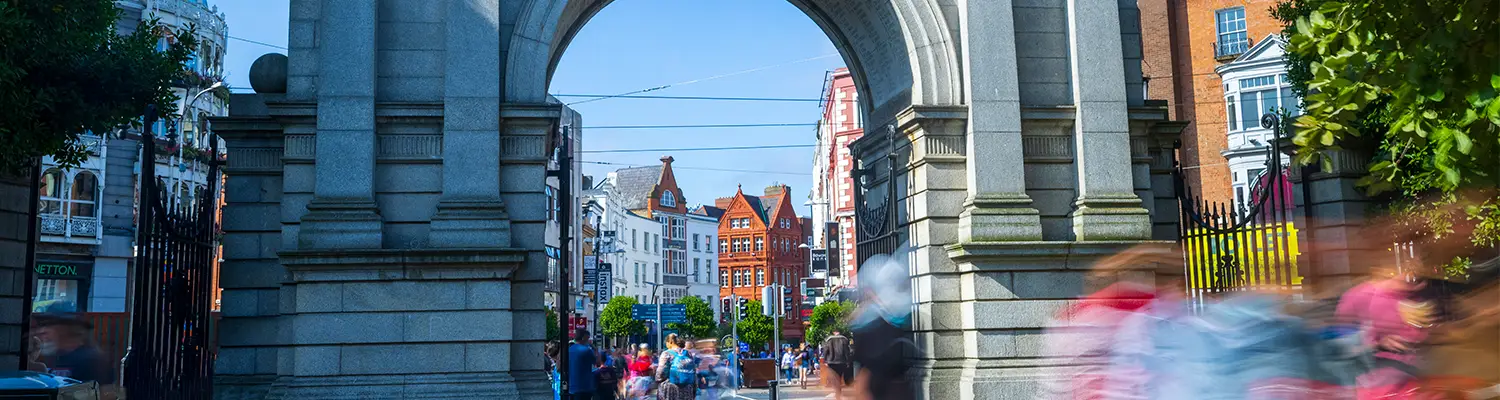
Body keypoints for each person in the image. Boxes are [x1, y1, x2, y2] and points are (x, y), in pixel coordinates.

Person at [34, 315, 113, 385]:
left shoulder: (91, 360)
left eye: (49, 325)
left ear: (66, 329)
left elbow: (105, 394)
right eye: (42, 325)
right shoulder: (46, 358)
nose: (42, 331)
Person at [655, 334, 698, 400]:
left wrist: (657, 380)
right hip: (687, 389)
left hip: (670, 389)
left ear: (670, 342)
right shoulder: (688, 353)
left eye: (666, 343)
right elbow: (693, 372)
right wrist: (694, 389)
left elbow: (661, 372)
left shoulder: (666, 353)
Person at [822, 330, 854, 399]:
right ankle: (838, 392)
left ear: (833, 332)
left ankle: (837, 392)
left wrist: (825, 360)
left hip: (831, 362)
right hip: (842, 361)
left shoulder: (829, 340)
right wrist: (848, 361)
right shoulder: (844, 339)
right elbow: (847, 351)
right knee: (839, 377)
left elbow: (825, 351)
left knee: (834, 378)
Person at [567, 329, 598, 400]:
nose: (588, 340)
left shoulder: (569, 349)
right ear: (584, 337)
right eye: (588, 338)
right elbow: (597, 362)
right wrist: (595, 349)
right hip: (584, 387)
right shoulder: (586, 350)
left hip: (571, 387)